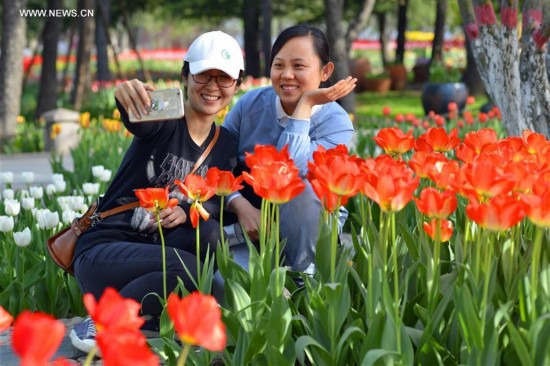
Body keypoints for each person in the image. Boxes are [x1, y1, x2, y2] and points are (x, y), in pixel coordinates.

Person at [69, 30, 244, 354]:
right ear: (185, 75)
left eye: (224, 79)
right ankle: (104, 320)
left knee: (210, 234)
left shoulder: (227, 144)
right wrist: (126, 96)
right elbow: (138, 120)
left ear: (237, 84)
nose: (213, 87)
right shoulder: (164, 118)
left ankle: (156, 317)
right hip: (107, 252)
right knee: (191, 269)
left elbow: (219, 200)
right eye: (204, 75)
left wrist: (189, 207)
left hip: (156, 259)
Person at [222, 24, 356, 274]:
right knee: (232, 286)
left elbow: (293, 170)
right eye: (279, 65)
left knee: (304, 188)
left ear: (325, 71)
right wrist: (238, 204)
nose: (286, 75)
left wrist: (305, 106)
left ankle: (304, 279)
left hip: (309, 227)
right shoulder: (250, 105)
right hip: (250, 220)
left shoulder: (336, 123)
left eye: (298, 66)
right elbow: (217, 159)